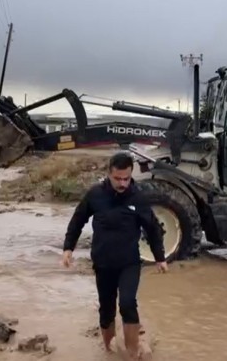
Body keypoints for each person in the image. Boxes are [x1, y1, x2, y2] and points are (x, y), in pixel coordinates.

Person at [61, 151, 167, 359]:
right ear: (109, 173)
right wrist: (68, 249)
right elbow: (77, 221)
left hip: (129, 263)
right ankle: (109, 351)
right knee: (106, 309)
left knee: (127, 303)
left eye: (126, 178)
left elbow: (153, 228)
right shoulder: (95, 195)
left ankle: (132, 352)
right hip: (103, 263)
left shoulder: (138, 197)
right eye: (118, 178)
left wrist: (160, 257)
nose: (123, 183)